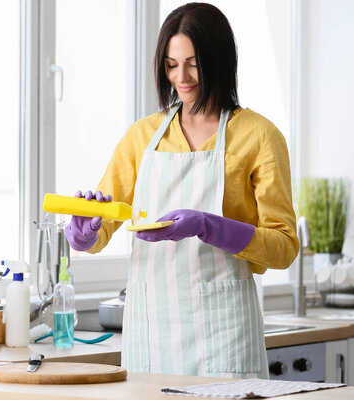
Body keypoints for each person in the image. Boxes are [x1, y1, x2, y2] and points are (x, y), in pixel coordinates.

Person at [65, 3, 299, 378]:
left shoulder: (259, 136)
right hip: (150, 333)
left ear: (220, 59)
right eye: (172, 65)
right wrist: (84, 233)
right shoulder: (142, 136)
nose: (182, 77)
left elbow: (285, 247)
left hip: (225, 334)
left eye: (194, 63)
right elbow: (103, 227)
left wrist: (209, 226)